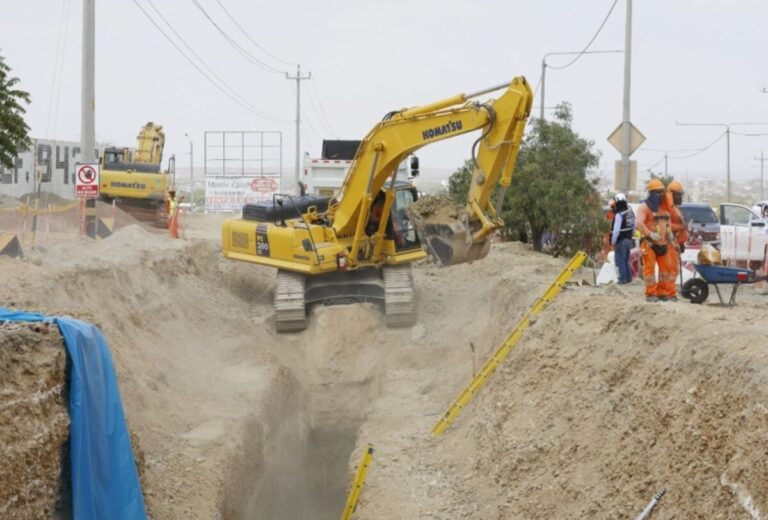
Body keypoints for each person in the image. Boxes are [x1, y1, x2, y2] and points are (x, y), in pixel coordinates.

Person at [635, 179, 672, 302]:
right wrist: (649, 233)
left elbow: (667, 222)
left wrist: (670, 233)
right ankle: (651, 293)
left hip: (663, 243)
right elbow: (639, 223)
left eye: (662, 192)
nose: (661, 195)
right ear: (651, 193)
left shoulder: (664, 208)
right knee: (649, 269)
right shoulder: (644, 208)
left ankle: (662, 293)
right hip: (649, 243)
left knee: (665, 270)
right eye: (658, 192)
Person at [659, 180, 689, 301]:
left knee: (670, 270)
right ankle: (668, 294)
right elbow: (666, 225)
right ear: (673, 194)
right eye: (680, 194)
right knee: (670, 270)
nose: (681, 197)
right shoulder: (667, 208)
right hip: (668, 243)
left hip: (674, 243)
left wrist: (681, 242)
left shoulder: (674, 208)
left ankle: (666, 292)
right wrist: (681, 227)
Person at [610, 193, 635, 284]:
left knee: (620, 260)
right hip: (629, 239)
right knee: (626, 259)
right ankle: (628, 278)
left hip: (621, 240)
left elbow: (616, 230)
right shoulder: (630, 211)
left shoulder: (619, 214)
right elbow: (633, 226)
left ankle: (622, 279)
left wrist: (613, 241)